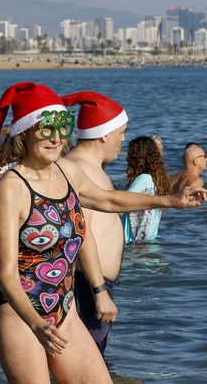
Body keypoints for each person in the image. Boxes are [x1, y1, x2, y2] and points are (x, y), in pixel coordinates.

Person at [0, 82, 206, 382]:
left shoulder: (67, 172)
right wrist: (37, 324)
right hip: (22, 317)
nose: (55, 138)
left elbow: (108, 199)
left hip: (65, 313)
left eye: (62, 128)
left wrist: (169, 200)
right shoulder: (11, 187)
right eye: (45, 129)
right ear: (24, 132)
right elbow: (7, 274)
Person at [61, 89, 131, 352]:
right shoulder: (80, 169)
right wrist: (99, 291)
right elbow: (82, 234)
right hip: (86, 286)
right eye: (121, 132)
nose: (123, 139)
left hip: (91, 284)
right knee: (85, 368)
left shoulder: (90, 169)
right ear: (104, 133)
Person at [121, 136, 171, 244]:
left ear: (138, 158)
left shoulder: (144, 179)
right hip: (149, 243)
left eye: (130, 154)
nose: (126, 159)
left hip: (135, 246)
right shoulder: (155, 180)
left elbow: (120, 204)